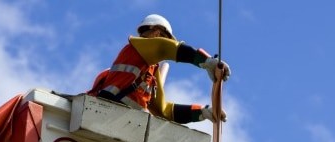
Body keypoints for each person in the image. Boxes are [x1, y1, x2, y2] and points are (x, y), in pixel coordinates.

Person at [88, 14, 231, 124]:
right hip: (107, 110)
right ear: (156, 34)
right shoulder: (135, 48)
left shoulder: (150, 72)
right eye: (166, 39)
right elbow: (164, 48)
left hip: (127, 120)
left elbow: (163, 110)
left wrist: (202, 112)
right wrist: (206, 61)